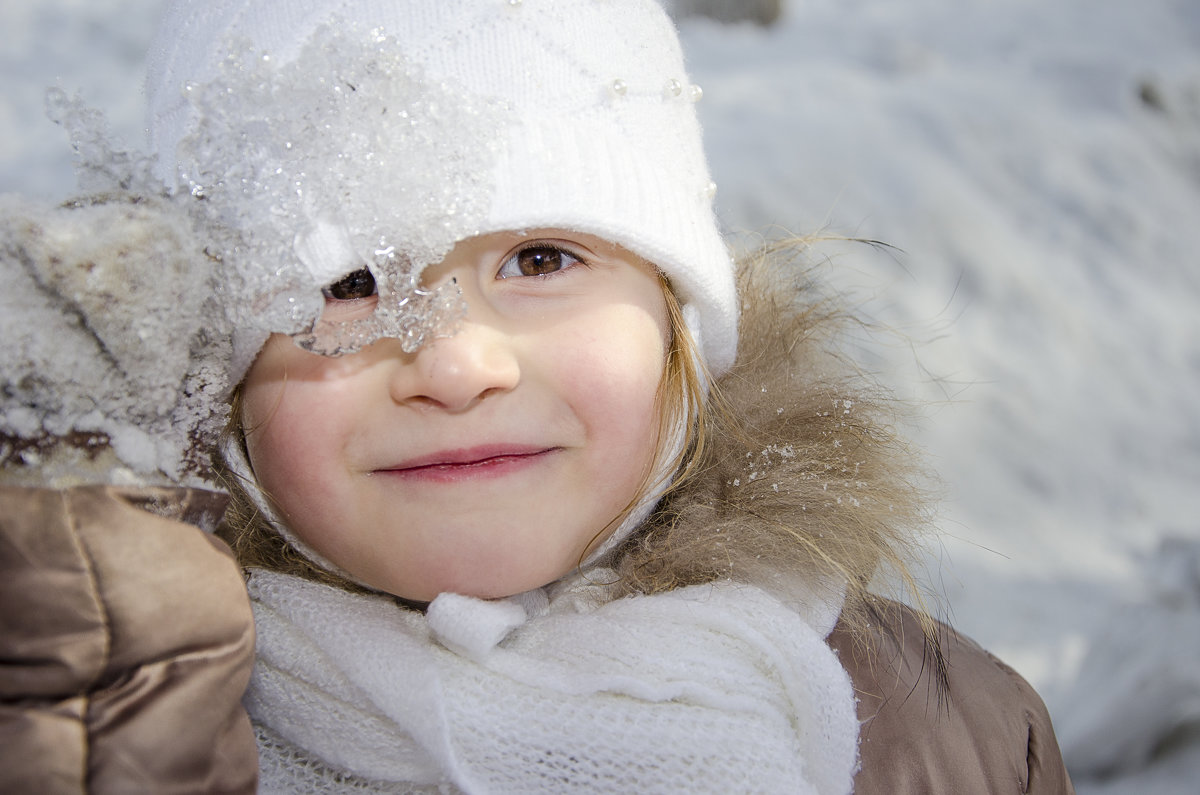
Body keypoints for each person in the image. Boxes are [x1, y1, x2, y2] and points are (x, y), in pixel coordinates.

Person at [0, 0, 1073, 792]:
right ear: (220, 380)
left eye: (544, 259)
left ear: (676, 321)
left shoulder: (954, 740)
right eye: (347, 283)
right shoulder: (87, 698)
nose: (461, 366)